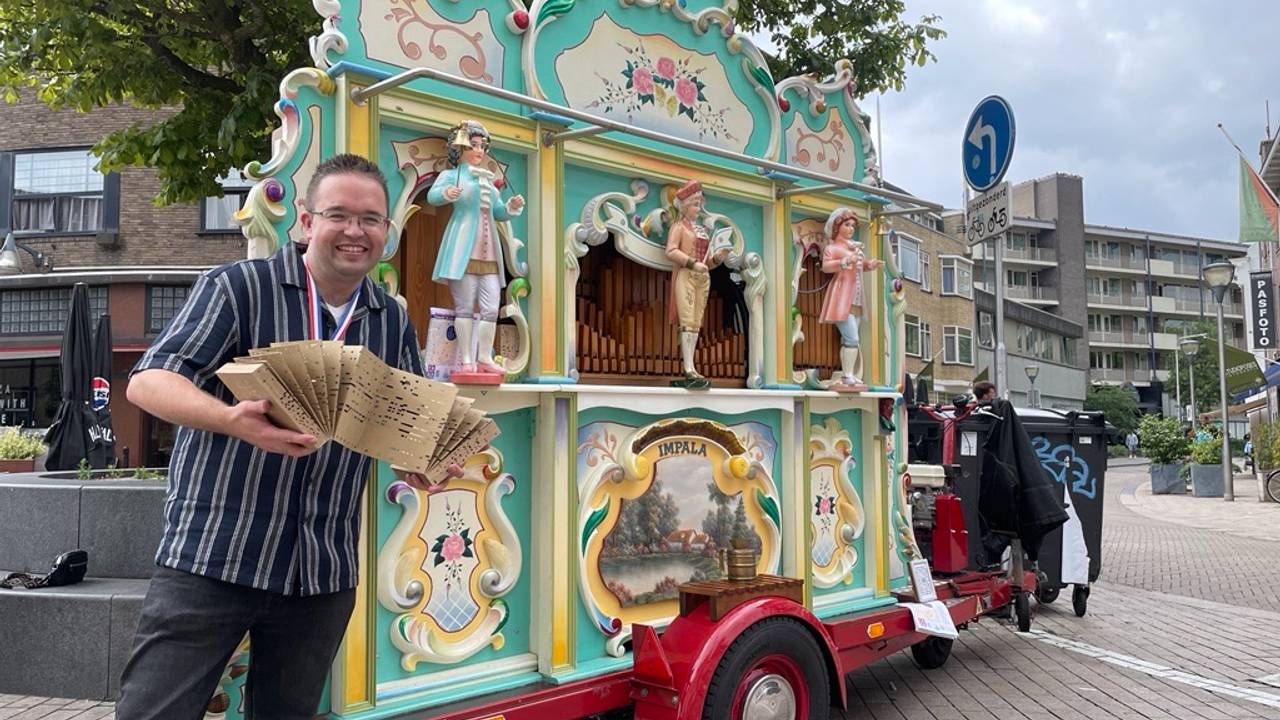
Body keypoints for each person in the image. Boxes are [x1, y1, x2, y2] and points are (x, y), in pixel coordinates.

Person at [116, 154, 425, 719]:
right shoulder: (240, 287)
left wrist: (421, 458)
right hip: (213, 556)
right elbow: (149, 382)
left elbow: (401, 422)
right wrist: (231, 419)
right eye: (339, 214)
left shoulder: (390, 318)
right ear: (307, 221)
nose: (355, 231)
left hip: (322, 570)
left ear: (386, 231)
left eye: (371, 219)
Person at [428, 120, 525, 378]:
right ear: (460, 148)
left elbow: (499, 212)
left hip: (489, 253)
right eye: (473, 145)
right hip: (463, 249)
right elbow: (433, 196)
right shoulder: (451, 175)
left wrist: (512, 207)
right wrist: (447, 192)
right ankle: (467, 360)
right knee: (464, 308)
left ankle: (484, 357)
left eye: (482, 146)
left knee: (491, 307)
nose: (479, 151)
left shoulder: (488, 181)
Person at [665, 179, 727, 387]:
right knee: (687, 320)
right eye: (694, 204)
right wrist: (692, 263)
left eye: (699, 204)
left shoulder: (702, 231)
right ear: (684, 206)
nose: (698, 208)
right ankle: (688, 367)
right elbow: (671, 251)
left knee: (696, 323)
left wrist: (718, 258)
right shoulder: (678, 227)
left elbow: (707, 262)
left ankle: (693, 366)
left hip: (703, 278)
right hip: (686, 275)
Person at [818, 207, 883, 386]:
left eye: (853, 225)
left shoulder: (854, 247)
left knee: (851, 339)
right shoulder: (833, 248)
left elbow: (860, 267)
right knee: (852, 338)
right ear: (837, 226)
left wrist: (870, 264)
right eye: (847, 225)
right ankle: (847, 375)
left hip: (857, 299)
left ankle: (848, 373)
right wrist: (846, 261)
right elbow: (826, 266)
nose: (851, 228)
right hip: (842, 298)